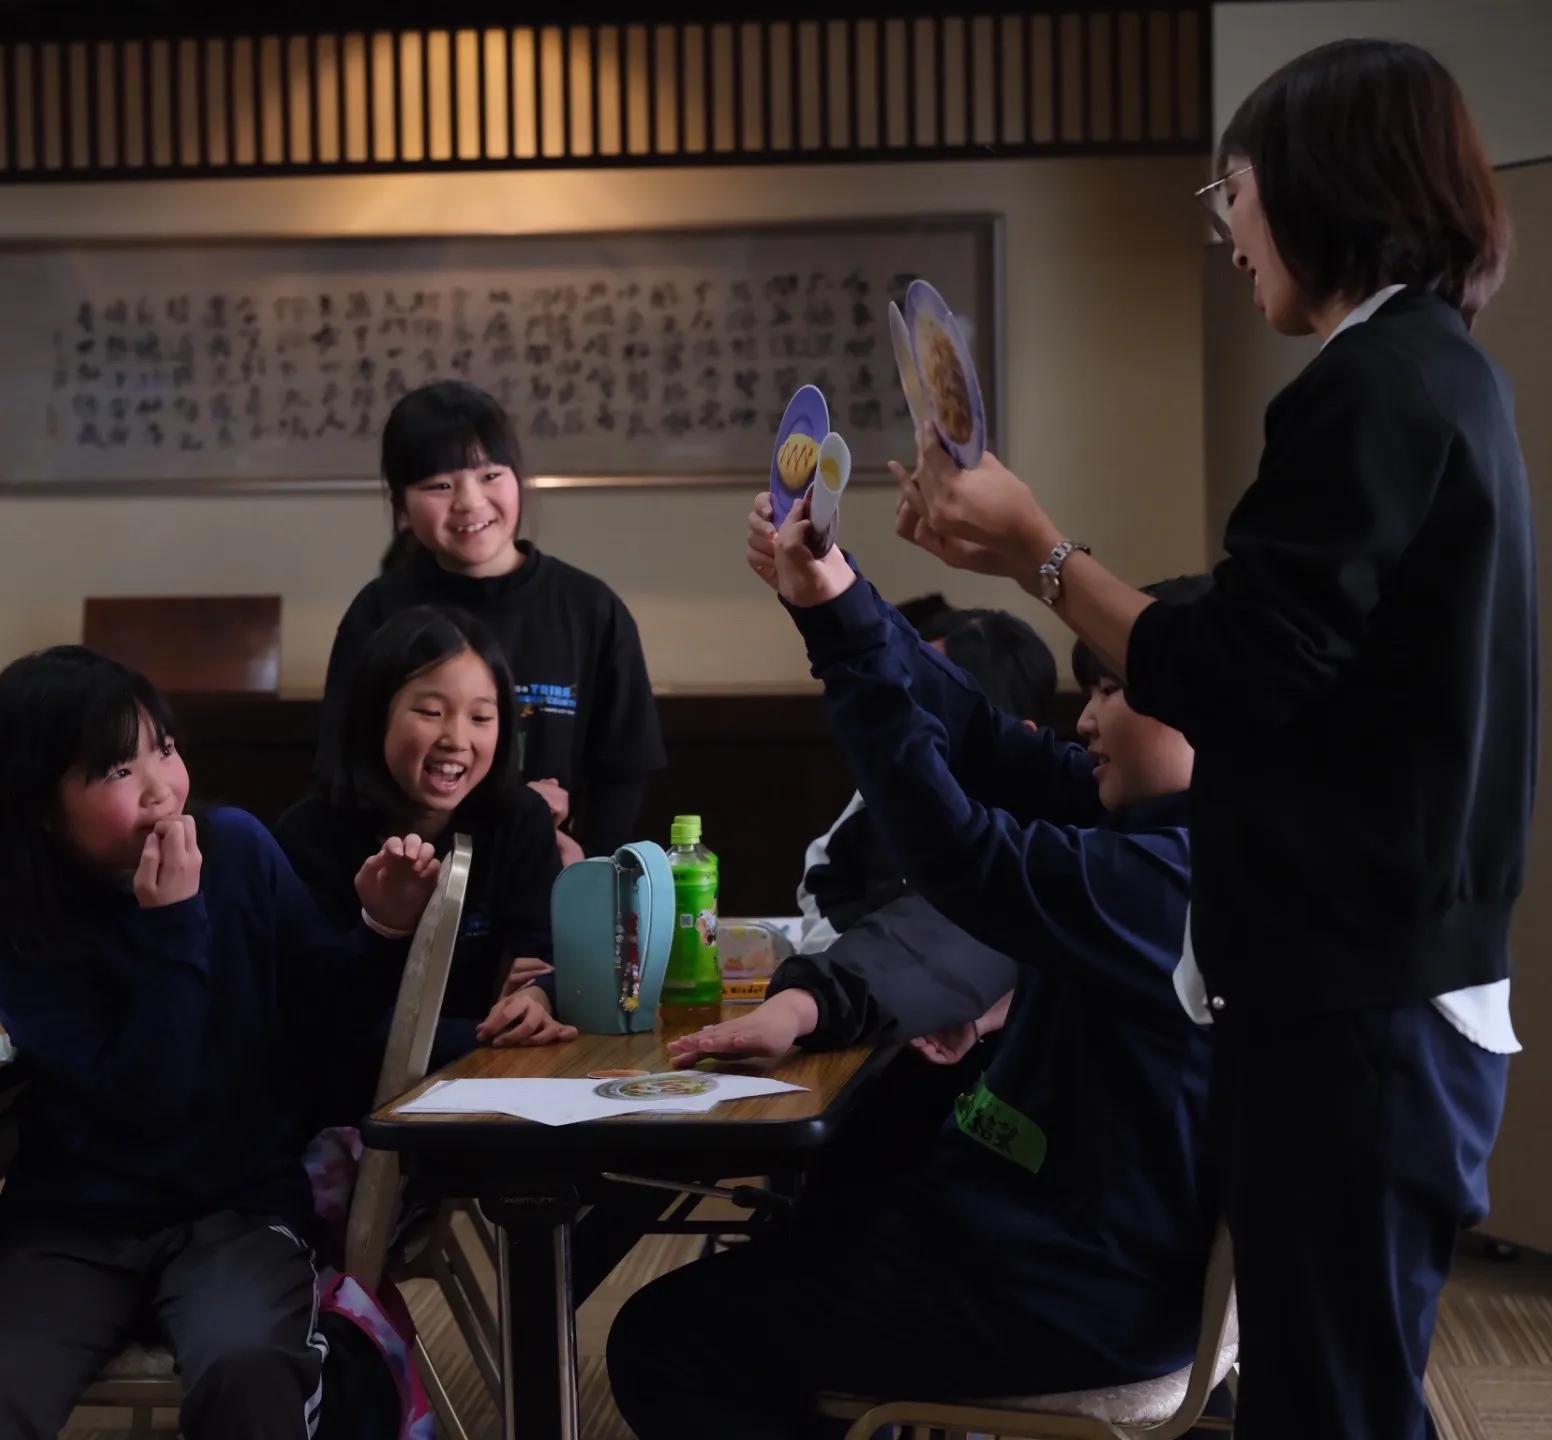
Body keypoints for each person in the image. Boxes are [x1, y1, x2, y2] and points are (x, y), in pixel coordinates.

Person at [892, 40, 1530, 1440]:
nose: (1229, 233)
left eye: (1230, 191)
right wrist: (1036, 556)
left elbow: (1236, 672)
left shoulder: (1376, 383)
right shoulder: (1437, 376)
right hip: (1383, 995)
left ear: (1316, 184)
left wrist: (1038, 551)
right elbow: (1278, 651)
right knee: (1340, 1390)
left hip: (1357, 1009)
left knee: (1333, 1403)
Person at [605, 502, 1217, 1438]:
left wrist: (849, 648)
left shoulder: (1172, 878)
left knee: (667, 1338)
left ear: (1211, 717)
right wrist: (835, 599)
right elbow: (981, 737)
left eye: (1114, 690)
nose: (1087, 719)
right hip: (1030, 1241)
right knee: (802, 1232)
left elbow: (959, 851)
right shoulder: (1164, 831)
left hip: (1069, 1285)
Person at [0, 646, 440, 1440]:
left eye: (163, 749)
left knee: (249, 1367)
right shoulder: (7, 927)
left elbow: (332, 1022)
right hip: (71, 1223)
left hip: (237, 1207)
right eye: (117, 770)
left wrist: (383, 926)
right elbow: (147, 1103)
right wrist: (172, 924)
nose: (161, 787)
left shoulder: (235, 848)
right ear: (40, 807)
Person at [316, 381, 666, 863]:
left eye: (490, 475)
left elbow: (624, 769)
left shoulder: (590, 609)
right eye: (439, 485)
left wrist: (589, 860)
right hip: (415, 872)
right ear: (401, 503)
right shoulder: (378, 612)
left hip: (552, 873)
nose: (469, 502)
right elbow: (343, 765)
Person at [278, 605, 575, 1124]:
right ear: (375, 715)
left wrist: (539, 999)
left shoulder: (518, 818)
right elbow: (326, 1023)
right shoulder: (310, 836)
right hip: (354, 1113)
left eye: (481, 717)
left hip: (499, 1087)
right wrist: (384, 928)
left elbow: (549, 955)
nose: (456, 739)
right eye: (431, 712)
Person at [798, 603, 1059, 951]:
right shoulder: (886, 786)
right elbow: (824, 880)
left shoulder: (1046, 834)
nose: (909, 723)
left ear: (1018, 736)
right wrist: (857, 952)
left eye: (933, 703)